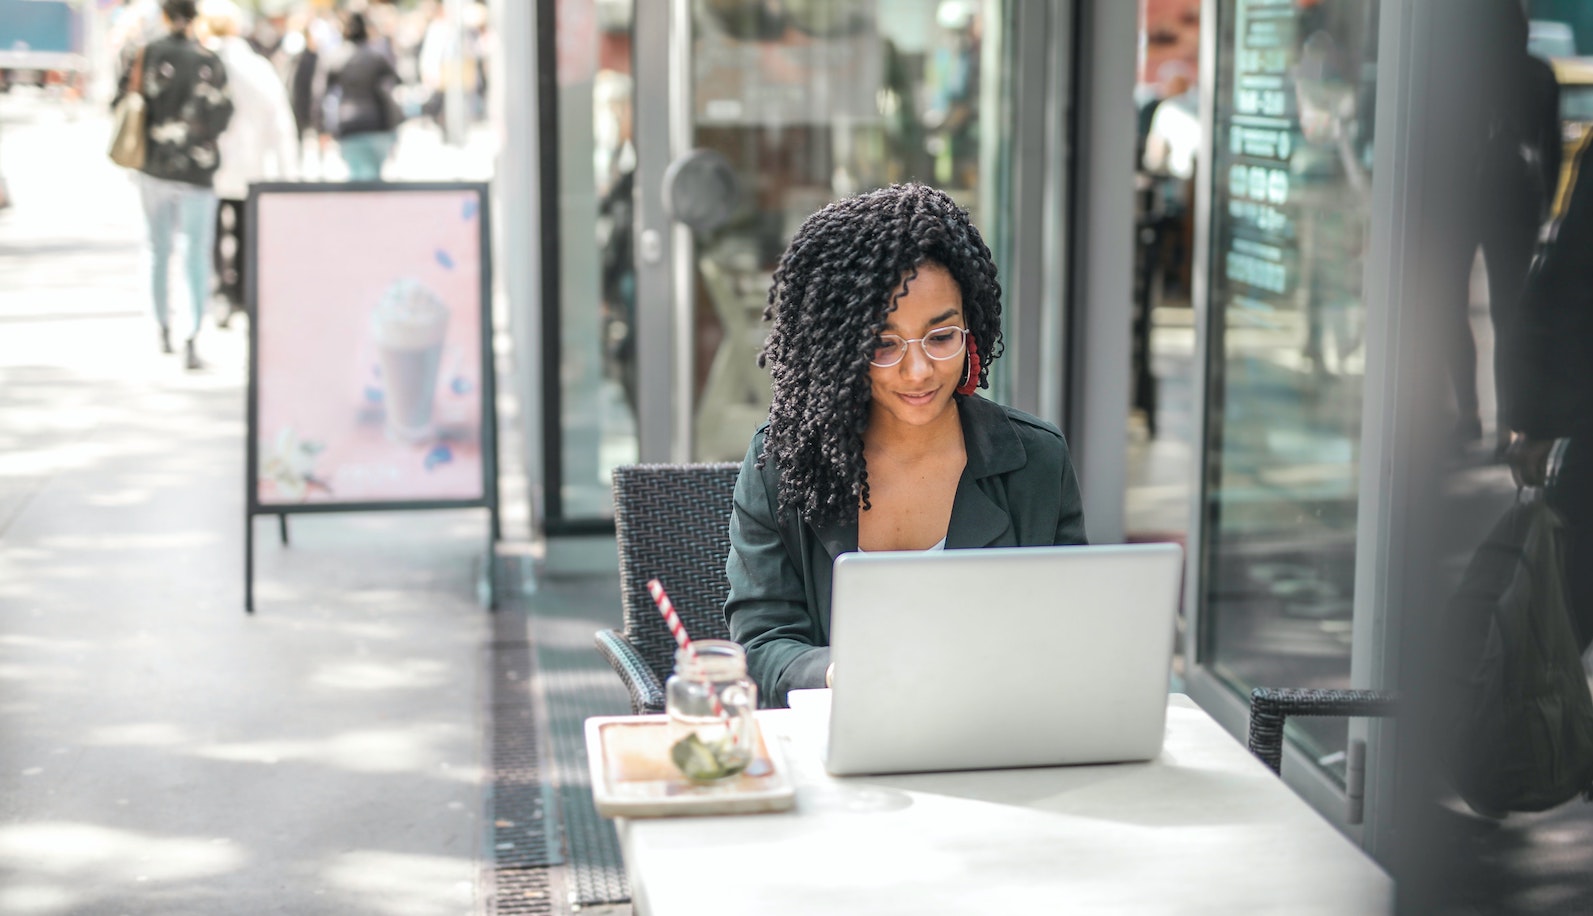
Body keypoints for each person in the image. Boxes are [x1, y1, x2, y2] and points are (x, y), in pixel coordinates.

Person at [723, 184, 1089, 707]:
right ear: (840, 348)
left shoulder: (1036, 462)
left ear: (972, 329)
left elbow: (1070, 636)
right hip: (840, 746)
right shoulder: (782, 465)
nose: (918, 372)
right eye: (883, 344)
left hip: (999, 737)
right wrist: (835, 672)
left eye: (941, 338)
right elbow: (761, 645)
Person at [114, 0, 234, 370]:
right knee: (196, 252)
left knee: (157, 246)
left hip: (154, 166)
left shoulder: (144, 53)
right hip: (198, 171)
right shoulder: (209, 60)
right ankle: (192, 332)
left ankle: (161, 325)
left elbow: (122, 101)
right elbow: (223, 114)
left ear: (164, 15)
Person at [199, 0, 298, 327]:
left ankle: (219, 292)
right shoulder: (255, 65)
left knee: (210, 230)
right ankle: (240, 291)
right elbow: (280, 119)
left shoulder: (201, 62)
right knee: (244, 228)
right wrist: (287, 171)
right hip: (249, 163)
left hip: (207, 163)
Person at [321, 11, 400, 181]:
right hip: (376, 123)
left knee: (357, 178)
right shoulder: (376, 57)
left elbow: (322, 94)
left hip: (350, 124)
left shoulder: (336, 57)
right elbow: (392, 85)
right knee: (373, 178)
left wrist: (323, 127)